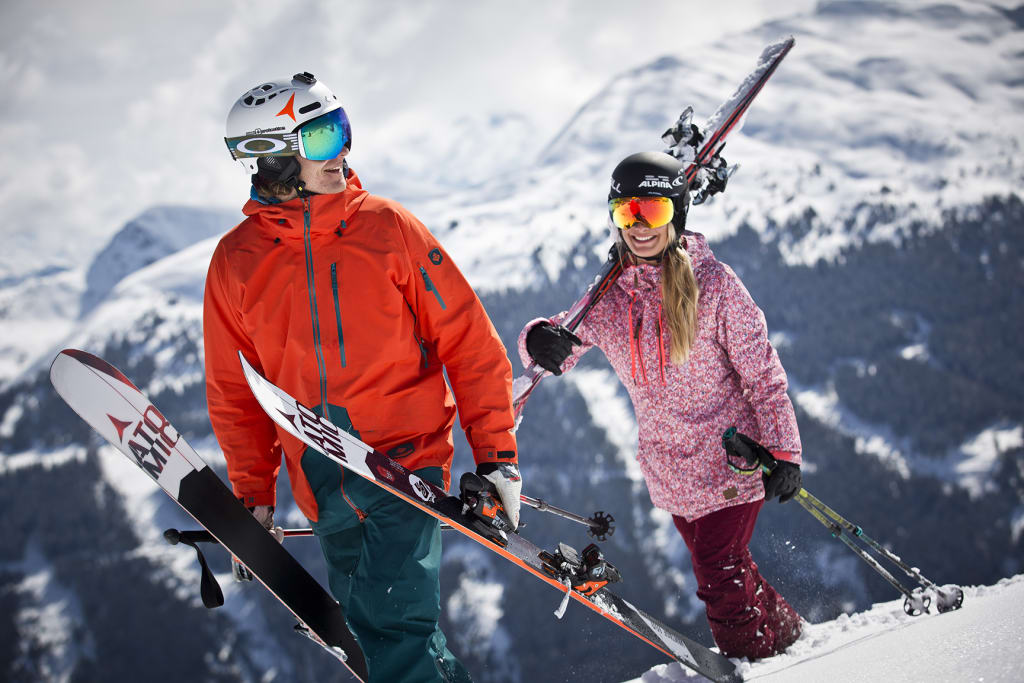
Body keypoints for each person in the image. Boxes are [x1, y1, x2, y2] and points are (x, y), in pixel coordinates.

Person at [205, 72, 521, 682]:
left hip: (405, 464)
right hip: (320, 473)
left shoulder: (387, 228)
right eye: (323, 136)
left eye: (342, 129)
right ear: (272, 154)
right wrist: (253, 496)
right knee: (382, 633)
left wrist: (497, 454)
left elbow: (470, 343)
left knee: (392, 624)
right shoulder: (236, 261)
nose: (342, 150)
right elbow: (233, 390)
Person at [519, 151, 803, 660]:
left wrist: (784, 450)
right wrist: (539, 339)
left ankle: (754, 665)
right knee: (729, 566)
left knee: (719, 575)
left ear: (677, 214)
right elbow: (564, 342)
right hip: (671, 472)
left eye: (652, 211)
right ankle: (789, 641)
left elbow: (763, 375)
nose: (639, 226)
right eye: (627, 213)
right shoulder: (610, 299)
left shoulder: (716, 287)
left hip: (732, 461)